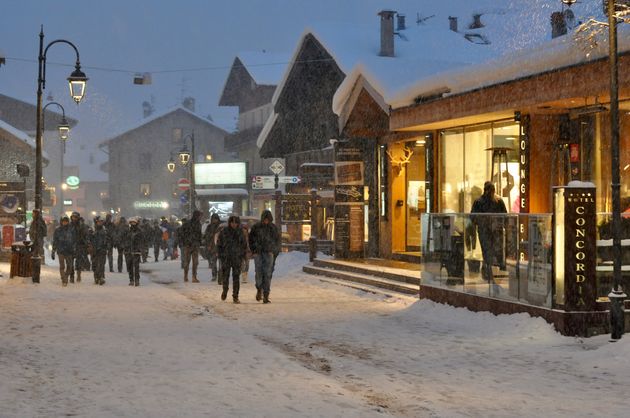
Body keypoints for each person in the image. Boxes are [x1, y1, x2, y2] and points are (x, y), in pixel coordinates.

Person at [471, 181, 507, 283]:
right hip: (488, 231)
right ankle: (489, 272)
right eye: (491, 190)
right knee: (489, 252)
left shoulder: (495, 201)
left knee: (489, 252)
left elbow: (504, 216)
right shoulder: (492, 201)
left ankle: (489, 272)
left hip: (490, 231)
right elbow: (473, 218)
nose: (491, 193)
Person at [248, 210, 281, 304]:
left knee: (267, 273)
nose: (266, 221)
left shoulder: (273, 228)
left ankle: (266, 294)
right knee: (259, 272)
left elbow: (278, 241)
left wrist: (274, 252)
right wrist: (254, 250)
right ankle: (259, 288)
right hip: (258, 253)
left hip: (269, 253)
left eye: (268, 219)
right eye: (265, 219)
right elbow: (251, 239)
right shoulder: (256, 227)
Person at [217, 215, 247, 303]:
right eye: (232, 222)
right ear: (229, 223)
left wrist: (243, 255)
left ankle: (235, 296)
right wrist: (220, 254)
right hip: (226, 257)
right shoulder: (224, 232)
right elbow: (219, 244)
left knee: (236, 277)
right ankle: (225, 290)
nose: (234, 224)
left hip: (237, 258)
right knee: (225, 276)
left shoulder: (240, 232)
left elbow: (244, 245)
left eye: (235, 223)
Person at [51, 215, 75, 286]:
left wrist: (74, 249)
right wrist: (53, 250)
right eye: (63, 221)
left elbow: (74, 240)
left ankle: (66, 276)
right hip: (61, 250)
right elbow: (55, 241)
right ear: (61, 222)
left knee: (70, 266)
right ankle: (64, 279)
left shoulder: (71, 230)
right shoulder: (58, 230)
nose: (65, 223)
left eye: (66, 221)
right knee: (62, 266)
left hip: (69, 250)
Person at [181, 210, 202, 283]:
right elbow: (199, 234)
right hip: (192, 245)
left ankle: (188, 276)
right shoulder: (195, 224)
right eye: (199, 216)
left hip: (190, 245)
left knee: (189, 261)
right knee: (193, 262)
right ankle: (192, 277)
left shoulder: (189, 223)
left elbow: (182, 234)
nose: (200, 217)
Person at [122, 217, 143, 286]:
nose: (133, 224)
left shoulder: (139, 231)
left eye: (134, 222)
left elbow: (142, 241)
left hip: (136, 251)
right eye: (131, 222)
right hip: (128, 251)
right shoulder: (127, 231)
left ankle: (137, 280)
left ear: (136, 223)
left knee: (136, 267)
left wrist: (140, 249)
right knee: (129, 266)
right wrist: (125, 247)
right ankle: (131, 279)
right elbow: (124, 239)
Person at [70, 212, 89, 283]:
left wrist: (86, 244)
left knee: (79, 262)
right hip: (71, 245)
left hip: (80, 245)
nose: (74, 218)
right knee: (70, 262)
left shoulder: (82, 226)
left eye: (75, 217)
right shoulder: (70, 225)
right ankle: (72, 276)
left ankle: (78, 275)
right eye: (73, 217)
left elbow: (86, 235)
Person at [89, 216, 109, 285]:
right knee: (95, 265)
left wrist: (107, 246)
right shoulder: (92, 230)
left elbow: (108, 239)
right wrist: (90, 246)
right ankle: (96, 277)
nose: (100, 223)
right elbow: (88, 239)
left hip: (102, 250)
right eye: (99, 222)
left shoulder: (104, 230)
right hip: (94, 251)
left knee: (101, 265)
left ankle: (101, 277)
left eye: (101, 222)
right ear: (96, 222)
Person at [203, 213, 221, 282]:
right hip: (212, 246)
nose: (214, 220)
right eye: (213, 219)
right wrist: (208, 245)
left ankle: (220, 275)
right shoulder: (209, 227)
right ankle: (214, 275)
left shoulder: (220, 226)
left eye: (216, 219)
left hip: (220, 246)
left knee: (221, 263)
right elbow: (207, 236)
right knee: (213, 262)